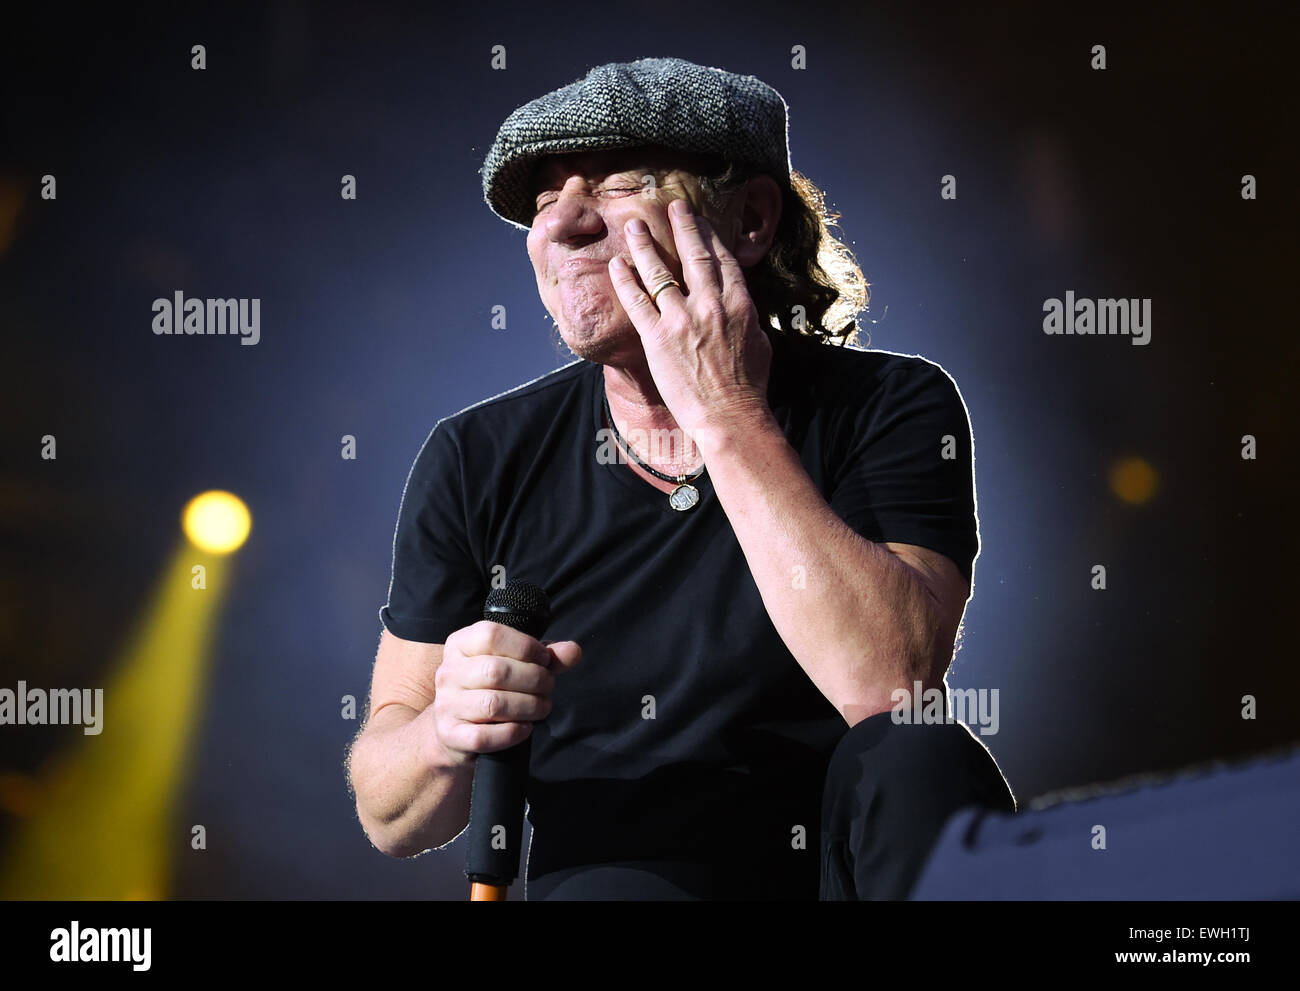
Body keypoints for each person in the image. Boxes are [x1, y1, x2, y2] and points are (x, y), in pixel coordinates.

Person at [347, 56, 1015, 900]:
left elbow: (893, 683)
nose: (565, 224)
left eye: (620, 183)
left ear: (750, 221)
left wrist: (727, 412)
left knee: (924, 757)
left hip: (840, 874)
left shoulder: (888, 404)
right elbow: (388, 810)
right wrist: (447, 728)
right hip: (617, 876)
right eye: (546, 201)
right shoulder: (476, 455)